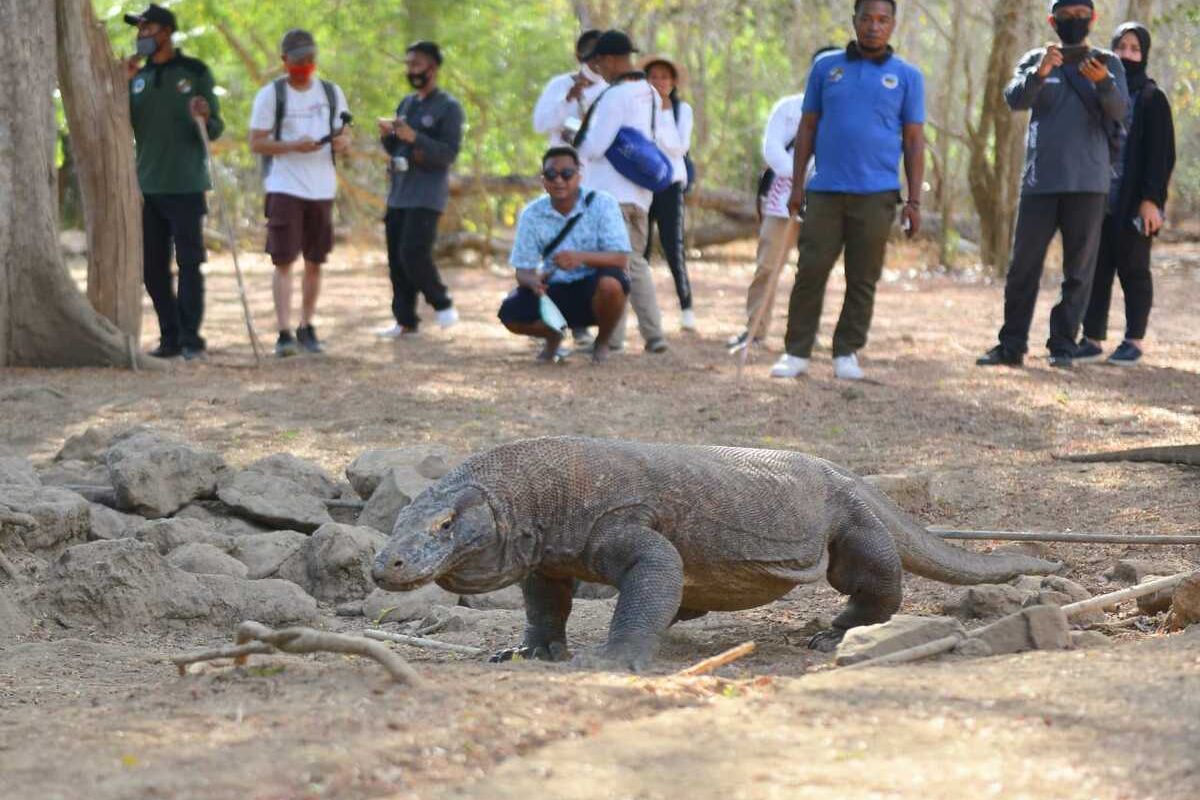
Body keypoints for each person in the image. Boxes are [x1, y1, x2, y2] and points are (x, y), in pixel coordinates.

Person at [771, 1, 925, 381]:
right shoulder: (826, 68)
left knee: (863, 276)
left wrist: (914, 200)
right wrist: (796, 184)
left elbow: (914, 139)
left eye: (882, 20)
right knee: (810, 270)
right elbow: (807, 128)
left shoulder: (907, 76)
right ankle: (796, 352)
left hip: (878, 193)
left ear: (892, 25)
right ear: (854, 21)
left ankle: (846, 352)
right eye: (867, 19)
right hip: (824, 189)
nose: (874, 27)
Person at [977, 0, 1129, 370]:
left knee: (1078, 271)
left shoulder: (1109, 63)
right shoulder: (1035, 58)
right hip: (1039, 182)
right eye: (1066, 16)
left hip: (1088, 184)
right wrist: (1041, 72)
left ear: (1092, 19)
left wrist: (1103, 83)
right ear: (1052, 21)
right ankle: (1011, 345)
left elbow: (1121, 110)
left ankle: (1063, 345)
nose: (1074, 22)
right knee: (1022, 268)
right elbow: (1015, 100)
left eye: (1081, 15)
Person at [125, 4, 224, 361]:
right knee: (153, 267)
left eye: (146, 28)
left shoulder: (194, 71)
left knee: (189, 263)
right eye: (138, 30)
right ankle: (169, 336)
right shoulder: (135, 77)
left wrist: (205, 115)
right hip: (147, 187)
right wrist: (119, 82)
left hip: (186, 185)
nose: (140, 35)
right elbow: (118, 125)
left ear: (165, 31)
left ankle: (190, 338)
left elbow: (214, 130)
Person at [574, 30, 680, 355]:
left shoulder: (615, 96)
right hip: (640, 195)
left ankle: (613, 339)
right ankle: (652, 335)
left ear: (608, 59)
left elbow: (594, 147)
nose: (599, 70)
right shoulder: (649, 93)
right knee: (633, 262)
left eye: (599, 62)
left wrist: (573, 136)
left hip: (609, 194)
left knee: (614, 265)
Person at [1076, 21, 1176, 367]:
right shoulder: (1102, 92)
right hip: (1098, 199)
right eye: (1121, 48)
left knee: (1134, 270)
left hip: (1134, 202)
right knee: (1096, 269)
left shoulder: (1152, 98)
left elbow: (1162, 156)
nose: (1127, 55)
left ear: (1144, 54)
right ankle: (1090, 338)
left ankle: (1133, 340)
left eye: (1135, 49)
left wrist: (1153, 201)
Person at [728, 45, 839, 352]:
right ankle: (755, 331)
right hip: (784, 199)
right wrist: (802, 177)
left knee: (813, 270)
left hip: (827, 202)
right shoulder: (788, 107)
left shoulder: (847, 114)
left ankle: (802, 336)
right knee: (767, 266)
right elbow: (772, 150)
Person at [249, 29, 351, 357]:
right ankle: (283, 333)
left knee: (315, 261)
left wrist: (342, 142)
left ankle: (307, 326)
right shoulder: (271, 95)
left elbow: (345, 134)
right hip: (285, 186)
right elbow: (256, 142)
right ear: (284, 62)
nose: (304, 66)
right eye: (297, 61)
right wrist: (293, 145)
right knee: (283, 260)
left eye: (309, 60)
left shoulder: (332, 93)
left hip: (322, 188)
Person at [498, 147, 631, 364]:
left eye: (566, 174)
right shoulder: (532, 214)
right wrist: (533, 282)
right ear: (543, 180)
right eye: (551, 174)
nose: (559, 180)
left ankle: (603, 341)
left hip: (594, 287)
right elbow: (522, 270)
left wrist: (580, 257)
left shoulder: (603, 203)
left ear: (579, 175)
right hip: (554, 289)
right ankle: (554, 336)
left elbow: (620, 259)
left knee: (611, 284)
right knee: (510, 313)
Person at [376, 41, 465, 339]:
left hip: (427, 195)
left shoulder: (448, 107)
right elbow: (398, 148)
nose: (412, 70)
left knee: (413, 253)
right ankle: (405, 321)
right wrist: (388, 137)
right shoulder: (407, 104)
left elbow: (448, 154)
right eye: (409, 64)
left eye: (418, 64)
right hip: (399, 192)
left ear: (433, 67)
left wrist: (416, 137)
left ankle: (442, 301)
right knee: (396, 259)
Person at [642, 55, 696, 332]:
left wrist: (662, 116)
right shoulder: (638, 108)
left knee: (673, 247)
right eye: (654, 76)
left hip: (671, 185)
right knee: (641, 248)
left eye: (664, 77)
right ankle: (640, 309)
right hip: (641, 184)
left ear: (673, 82)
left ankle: (686, 307)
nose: (659, 82)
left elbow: (679, 146)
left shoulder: (681, 110)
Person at [532, 30, 608, 148]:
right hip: (562, 161)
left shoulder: (611, 90)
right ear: (580, 57)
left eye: (604, 57)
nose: (599, 62)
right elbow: (539, 125)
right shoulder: (559, 84)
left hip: (596, 164)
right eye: (594, 57)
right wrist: (567, 99)